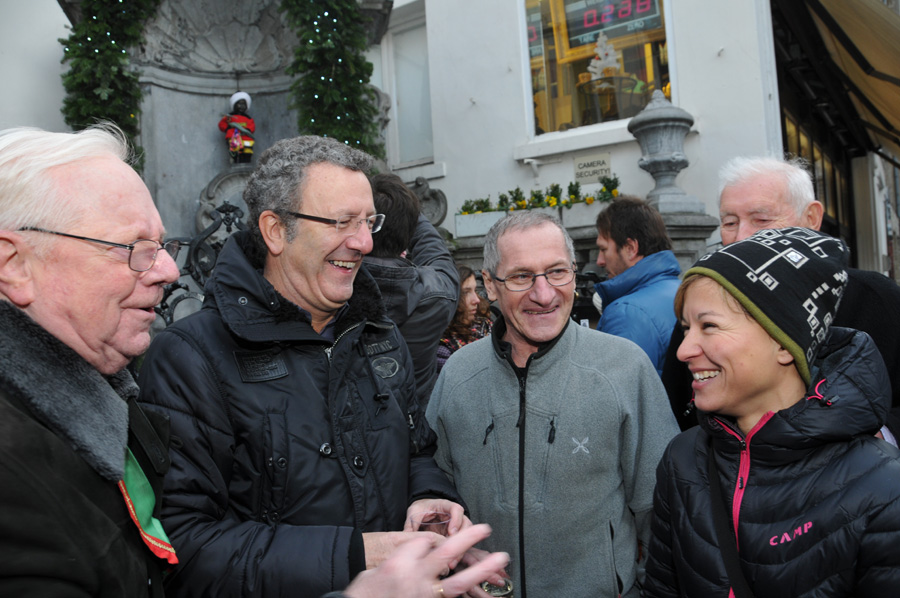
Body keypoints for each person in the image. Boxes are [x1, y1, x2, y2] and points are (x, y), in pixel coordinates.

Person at [137, 135, 469, 598]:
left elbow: (415, 451)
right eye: (342, 222)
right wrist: (356, 557)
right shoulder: (190, 358)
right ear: (275, 230)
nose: (364, 241)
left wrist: (430, 498)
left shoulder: (379, 334)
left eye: (368, 221)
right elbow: (186, 548)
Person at [426, 210, 680, 598]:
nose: (543, 294)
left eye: (557, 272)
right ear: (490, 286)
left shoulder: (625, 368)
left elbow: (664, 515)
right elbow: (435, 497)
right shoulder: (457, 375)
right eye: (522, 276)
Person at [644, 227, 900, 597]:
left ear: (783, 342)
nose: (684, 350)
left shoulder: (882, 486)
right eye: (686, 328)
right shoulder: (682, 460)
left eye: (709, 325)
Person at [0, 125, 181, 596]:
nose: (169, 271)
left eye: (163, 246)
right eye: (133, 249)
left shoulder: (107, 385)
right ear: (14, 266)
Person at [661, 156, 900, 431]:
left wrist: (871, 442)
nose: (742, 236)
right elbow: (676, 412)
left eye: (761, 219)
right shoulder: (699, 308)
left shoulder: (876, 300)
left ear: (811, 218)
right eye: (729, 222)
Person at [363, 173, 459, 407]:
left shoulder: (330, 287)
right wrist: (405, 209)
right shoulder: (435, 297)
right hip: (411, 424)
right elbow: (437, 254)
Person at [593, 195, 681, 375]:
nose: (600, 261)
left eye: (603, 249)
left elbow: (618, 397)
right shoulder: (683, 290)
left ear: (630, 248)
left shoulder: (626, 313)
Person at [436, 263, 494, 373]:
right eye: (466, 293)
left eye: (475, 290)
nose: (476, 299)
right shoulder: (443, 347)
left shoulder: (486, 326)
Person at [218, 90, 256, 163]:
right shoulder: (230, 117)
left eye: (244, 104)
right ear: (234, 104)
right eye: (239, 104)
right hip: (234, 137)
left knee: (247, 152)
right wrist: (228, 128)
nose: (242, 106)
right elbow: (222, 124)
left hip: (246, 138)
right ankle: (235, 161)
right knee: (234, 152)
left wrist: (248, 130)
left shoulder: (248, 118)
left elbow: (252, 126)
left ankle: (246, 161)